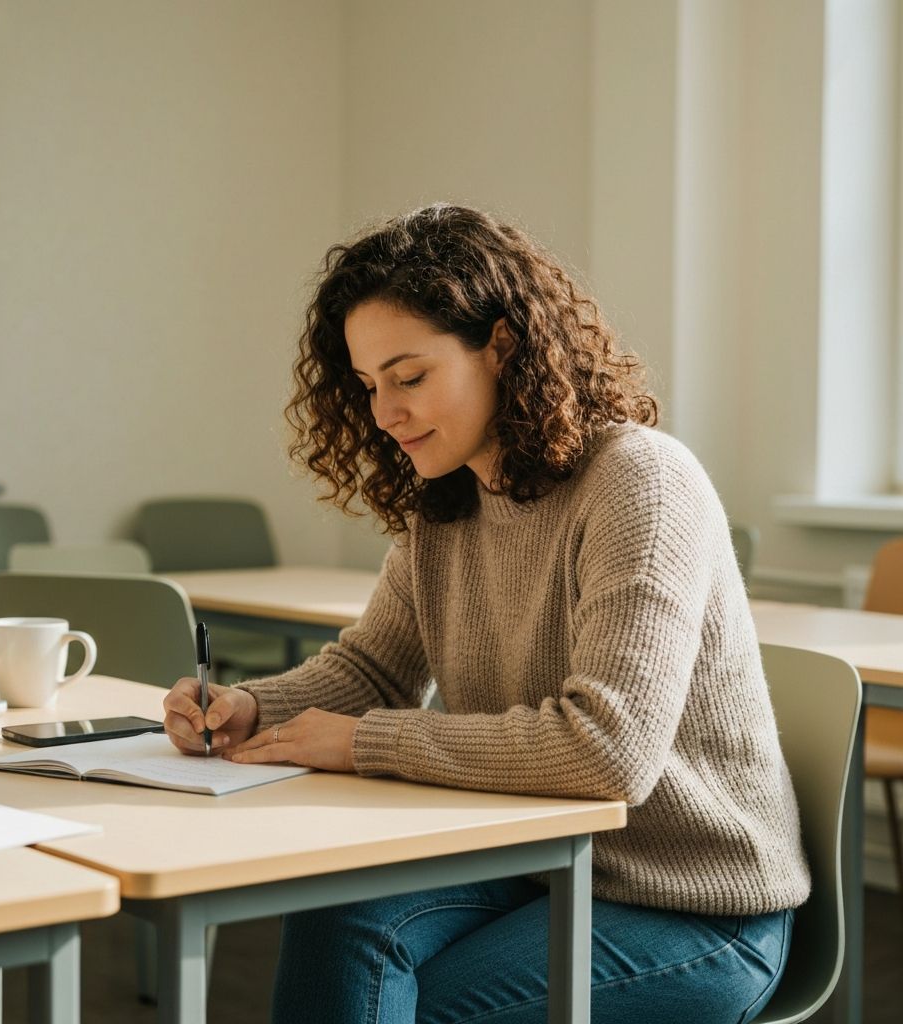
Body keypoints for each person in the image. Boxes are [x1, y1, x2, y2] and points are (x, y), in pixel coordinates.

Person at [163, 204, 809, 1024]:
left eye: (410, 376)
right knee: (338, 915)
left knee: (421, 1007)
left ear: (502, 346)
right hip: (535, 859)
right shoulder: (448, 505)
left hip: (691, 906)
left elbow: (607, 753)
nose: (384, 414)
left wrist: (363, 743)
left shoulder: (640, 483)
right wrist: (253, 706)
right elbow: (372, 670)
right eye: (368, 387)